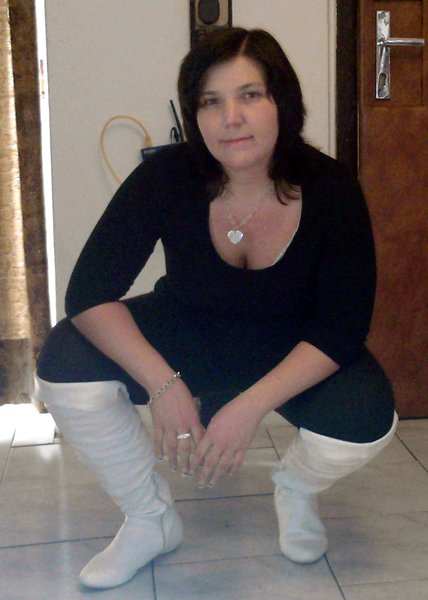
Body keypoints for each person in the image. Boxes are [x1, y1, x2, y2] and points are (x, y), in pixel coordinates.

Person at [35, 27, 397, 590]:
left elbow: (343, 326)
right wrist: (163, 385)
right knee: (64, 356)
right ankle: (149, 517)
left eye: (250, 95)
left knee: (366, 419)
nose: (231, 118)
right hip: (187, 326)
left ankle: (295, 488)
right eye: (211, 101)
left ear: (282, 101)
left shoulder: (330, 187)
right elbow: (88, 294)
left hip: (292, 344)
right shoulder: (166, 176)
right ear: (195, 113)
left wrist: (246, 410)